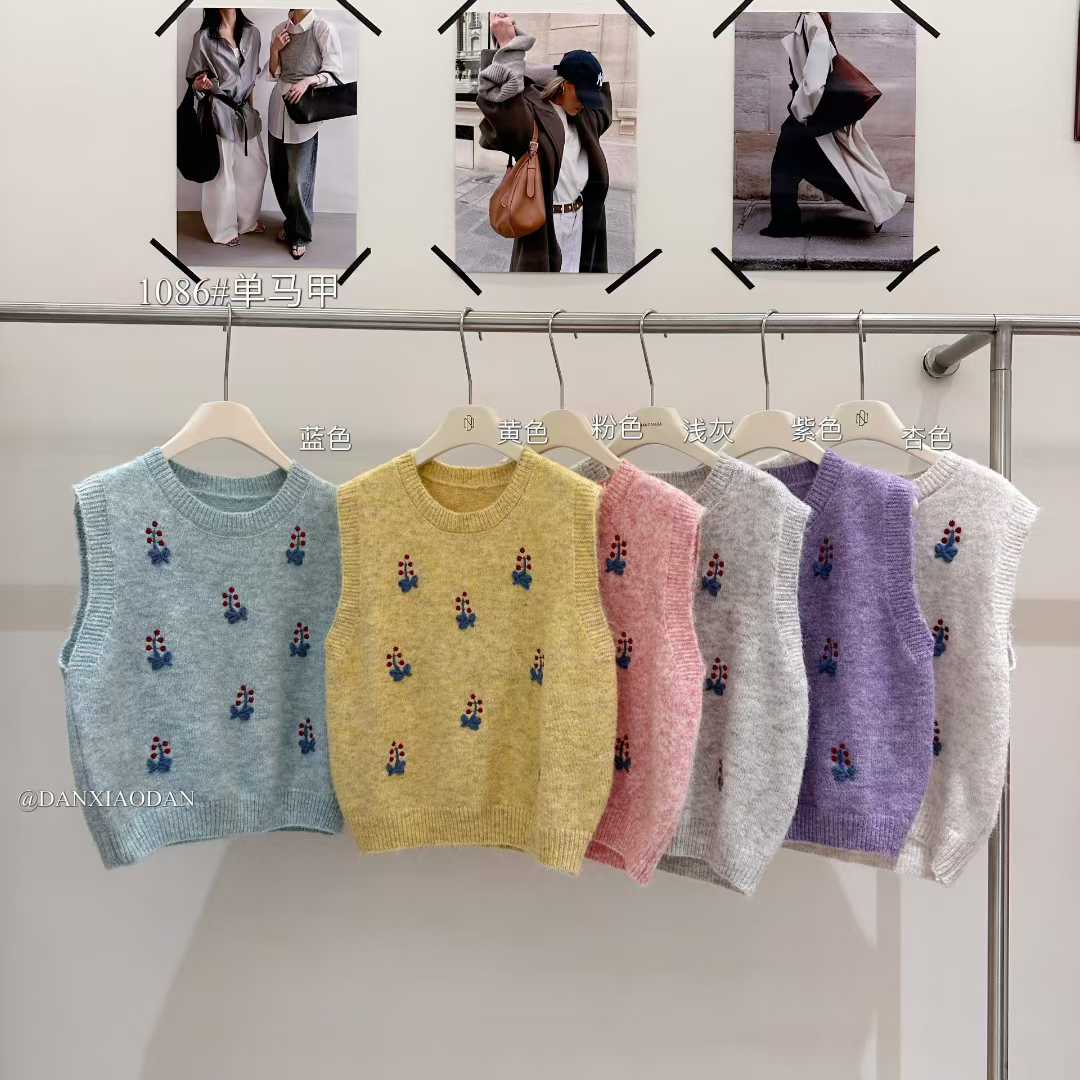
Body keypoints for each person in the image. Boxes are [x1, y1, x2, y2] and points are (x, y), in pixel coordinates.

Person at [477, 13, 612, 273]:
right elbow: (502, 108)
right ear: (564, 85)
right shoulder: (534, 116)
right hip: (545, 226)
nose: (586, 103)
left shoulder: (587, 117)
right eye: (582, 95)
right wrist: (509, 48)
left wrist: (565, 69)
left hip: (581, 223)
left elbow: (604, 99)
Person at [761, 11, 905, 238]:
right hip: (808, 108)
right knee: (802, 164)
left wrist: (800, 113)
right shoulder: (811, 17)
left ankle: (786, 223)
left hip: (808, 109)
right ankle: (786, 221)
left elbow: (816, 78)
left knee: (789, 164)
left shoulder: (811, 18)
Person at [265, 9, 344, 260]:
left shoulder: (322, 28)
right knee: (279, 175)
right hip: (278, 108)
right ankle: (292, 223)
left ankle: (300, 234)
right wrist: (274, 50)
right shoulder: (278, 30)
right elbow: (273, 74)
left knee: (299, 179)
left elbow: (334, 72)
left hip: (304, 111)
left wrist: (308, 81)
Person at [185, 9, 267, 247]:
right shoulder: (204, 37)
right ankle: (222, 230)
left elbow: (251, 78)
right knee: (222, 175)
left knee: (255, 168)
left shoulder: (253, 33)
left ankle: (247, 222)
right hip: (218, 110)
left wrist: (253, 111)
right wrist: (200, 83)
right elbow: (193, 80)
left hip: (244, 112)